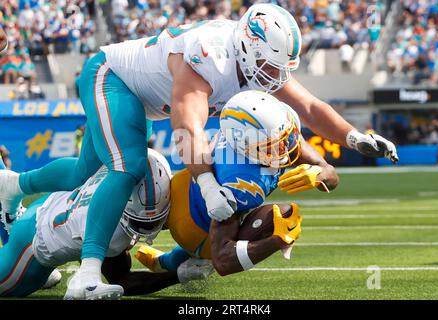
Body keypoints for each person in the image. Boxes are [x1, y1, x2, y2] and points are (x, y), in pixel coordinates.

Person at [0, 3, 397, 299]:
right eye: (270, 66)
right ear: (247, 46)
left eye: (280, 69)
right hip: (112, 76)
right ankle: (86, 276)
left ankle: (12, 185)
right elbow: (187, 129)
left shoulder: (253, 58)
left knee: (81, 174)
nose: (276, 77)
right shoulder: (211, 54)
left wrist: (353, 137)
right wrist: (208, 187)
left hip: (139, 98)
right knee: (129, 165)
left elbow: (310, 107)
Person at [135, 91, 338, 277]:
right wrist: (276, 240)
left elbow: (330, 172)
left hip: (182, 187)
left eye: (286, 137)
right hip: (193, 226)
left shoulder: (268, 129)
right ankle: (188, 259)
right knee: (283, 214)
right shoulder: (242, 182)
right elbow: (223, 261)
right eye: (271, 146)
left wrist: (320, 174)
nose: (284, 147)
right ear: (247, 149)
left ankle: (165, 260)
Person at [0, 149, 209, 298]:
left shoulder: (123, 165)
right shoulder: (112, 236)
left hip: (52, 201)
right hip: (30, 247)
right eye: (140, 222)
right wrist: (179, 275)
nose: (148, 227)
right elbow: (123, 281)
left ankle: (7, 188)